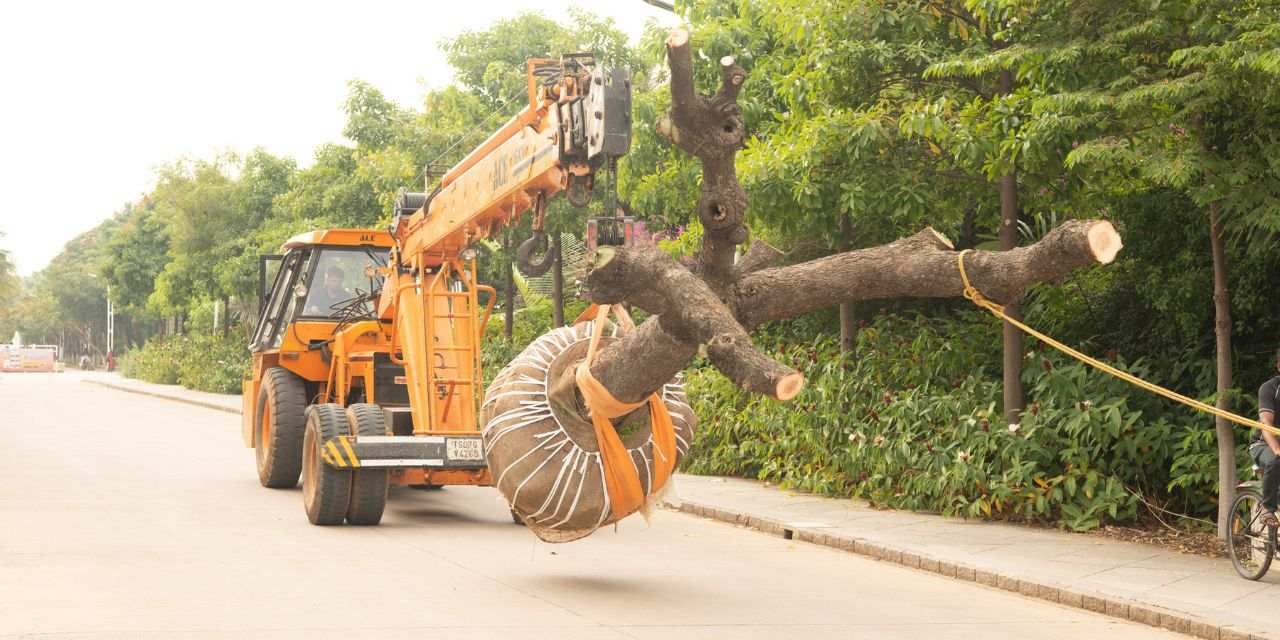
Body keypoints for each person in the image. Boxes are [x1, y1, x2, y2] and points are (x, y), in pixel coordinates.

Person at [1251, 348, 1280, 527]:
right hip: (1263, 443)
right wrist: (1277, 449)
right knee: (1276, 459)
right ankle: (1267, 508)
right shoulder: (1269, 388)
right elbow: (1265, 423)